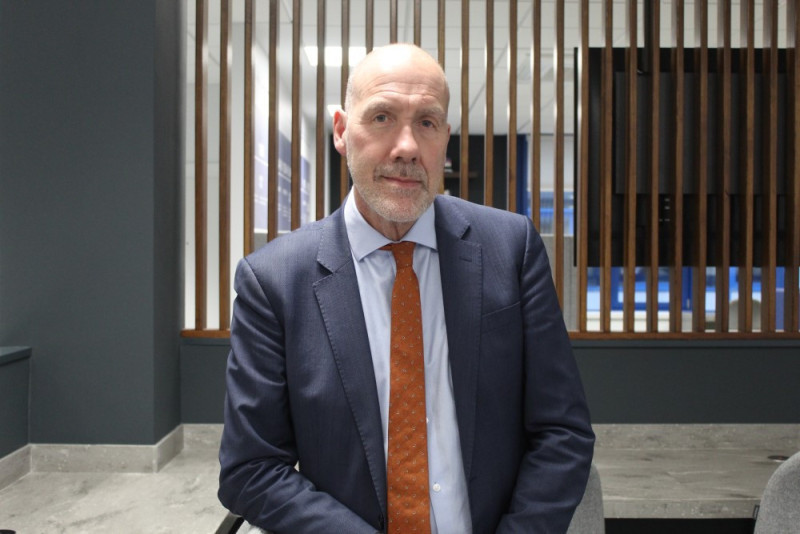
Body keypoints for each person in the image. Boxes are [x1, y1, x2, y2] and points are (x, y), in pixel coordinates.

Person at [218, 43, 594, 534]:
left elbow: (562, 431)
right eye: (381, 117)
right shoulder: (273, 281)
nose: (407, 147)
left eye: (427, 123)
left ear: (445, 139)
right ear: (340, 131)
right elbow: (251, 469)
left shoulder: (511, 248)